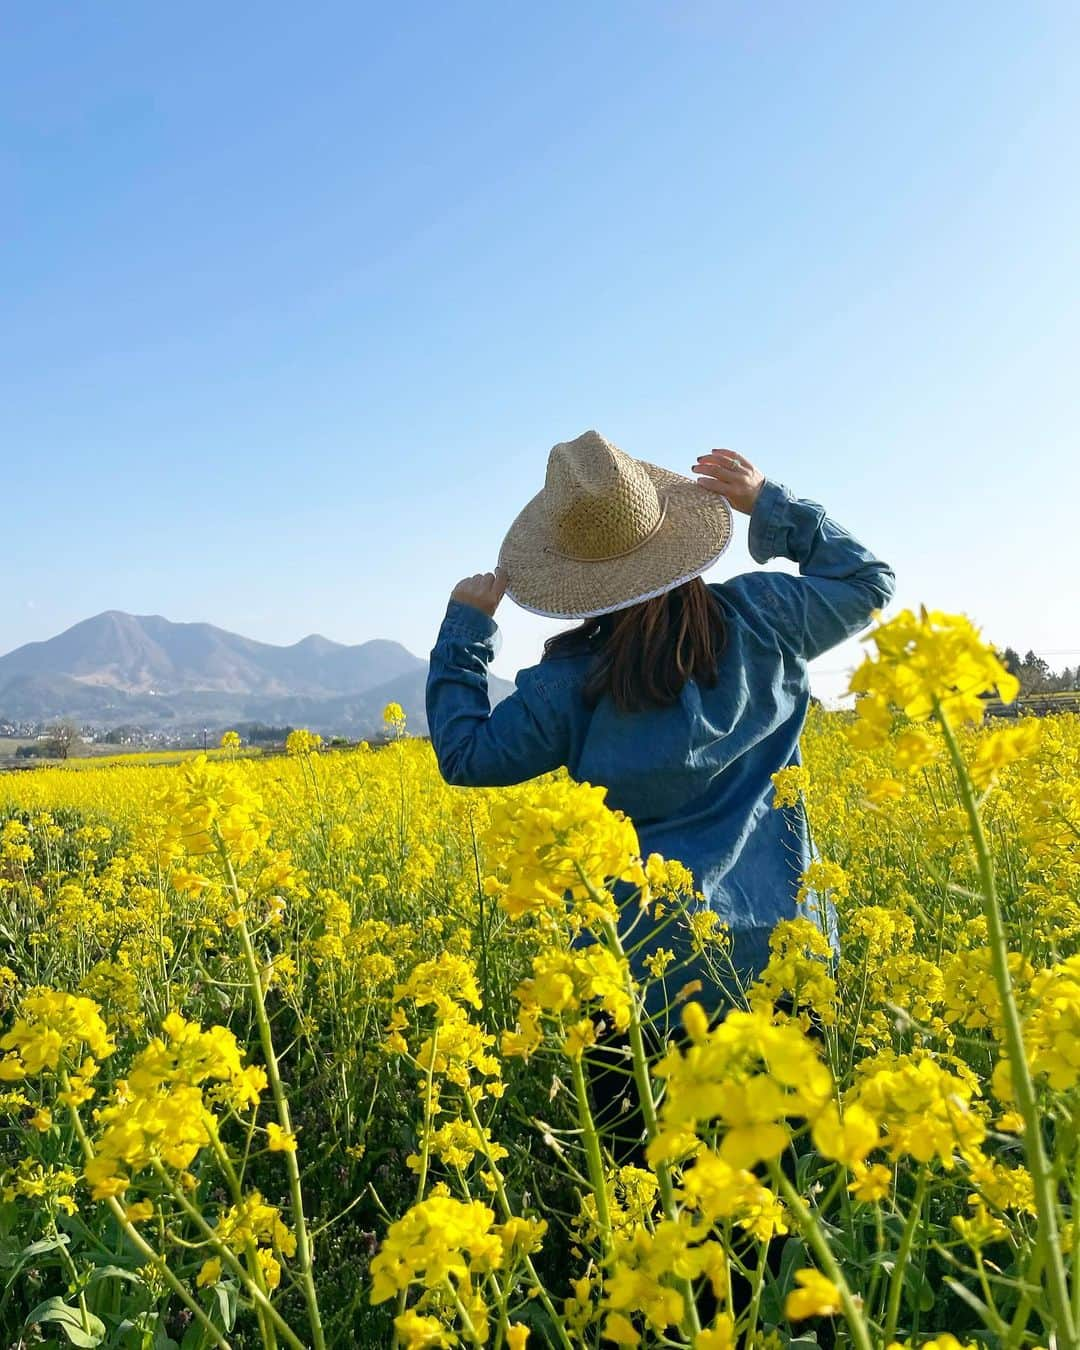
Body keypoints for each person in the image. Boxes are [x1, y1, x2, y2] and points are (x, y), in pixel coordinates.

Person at [425, 429, 894, 1015]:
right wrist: (769, 504)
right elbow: (868, 583)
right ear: (674, 537)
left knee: (641, 1112)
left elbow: (466, 756)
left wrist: (466, 632)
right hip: (784, 959)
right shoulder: (765, 617)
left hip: (637, 976)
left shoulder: (568, 685)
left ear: (570, 575)